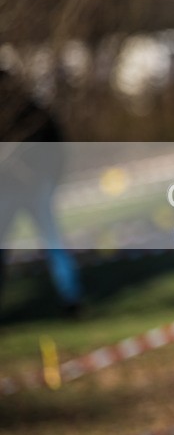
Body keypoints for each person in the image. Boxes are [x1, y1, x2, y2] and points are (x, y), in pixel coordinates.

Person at [0, 69, 83, 316]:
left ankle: (72, 298)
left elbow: (56, 146)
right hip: (24, 189)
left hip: (27, 189)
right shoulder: (32, 109)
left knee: (53, 244)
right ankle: (72, 299)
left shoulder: (28, 113)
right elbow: (58, 146)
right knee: (53, 244)